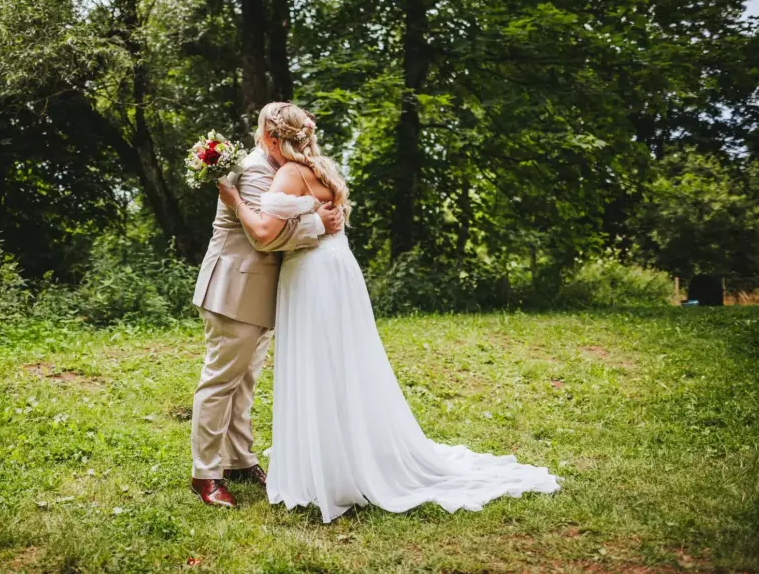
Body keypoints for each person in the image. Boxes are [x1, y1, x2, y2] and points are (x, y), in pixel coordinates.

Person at [217, 102, 561, 523]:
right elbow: (321, 215)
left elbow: (265, 231)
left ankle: (332, 465)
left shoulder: (288, 173)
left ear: (274, 137)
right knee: (343, 363)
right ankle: (346, 450)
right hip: (337, 269)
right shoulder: (323, 167)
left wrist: (233, 198)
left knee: (319, 364)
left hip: (312, 275)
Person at [189, 117, 344, 508]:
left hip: (257, 293)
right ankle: (205, 473)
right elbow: (265, 236)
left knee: (244, 384)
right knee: (220, 382)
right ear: (273, 138)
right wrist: (316, 224)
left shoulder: (283, 167)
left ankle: (240, 460)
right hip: (234, 289)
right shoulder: (257, 169)